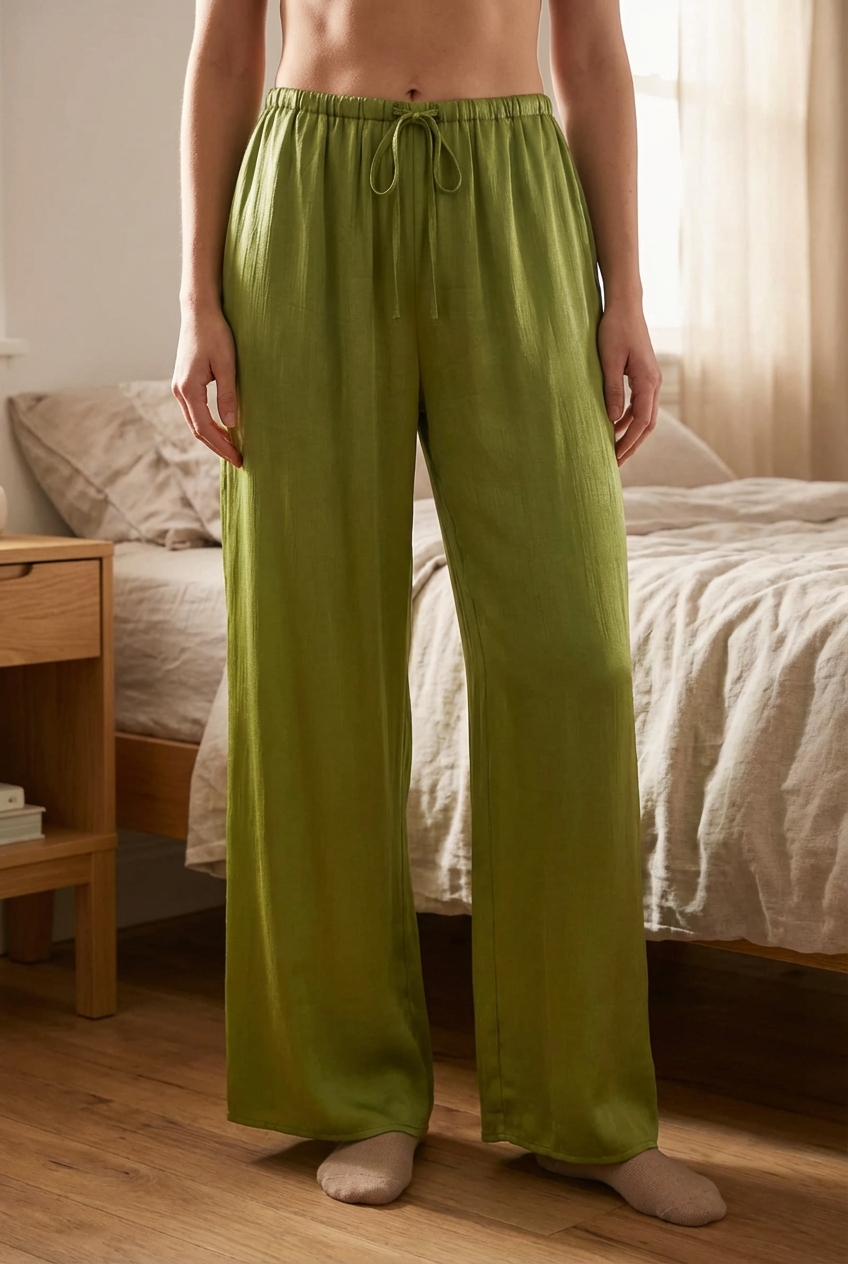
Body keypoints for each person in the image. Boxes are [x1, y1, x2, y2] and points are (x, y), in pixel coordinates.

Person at [172, 0, 726, 1226]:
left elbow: (587, 48)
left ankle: (580, 1106)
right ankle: (353, 1087)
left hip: (516, 194)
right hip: (304, 194)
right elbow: (223, 49)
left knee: (571, 655)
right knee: (312, 649)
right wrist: (195, 297)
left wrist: (622, 288)